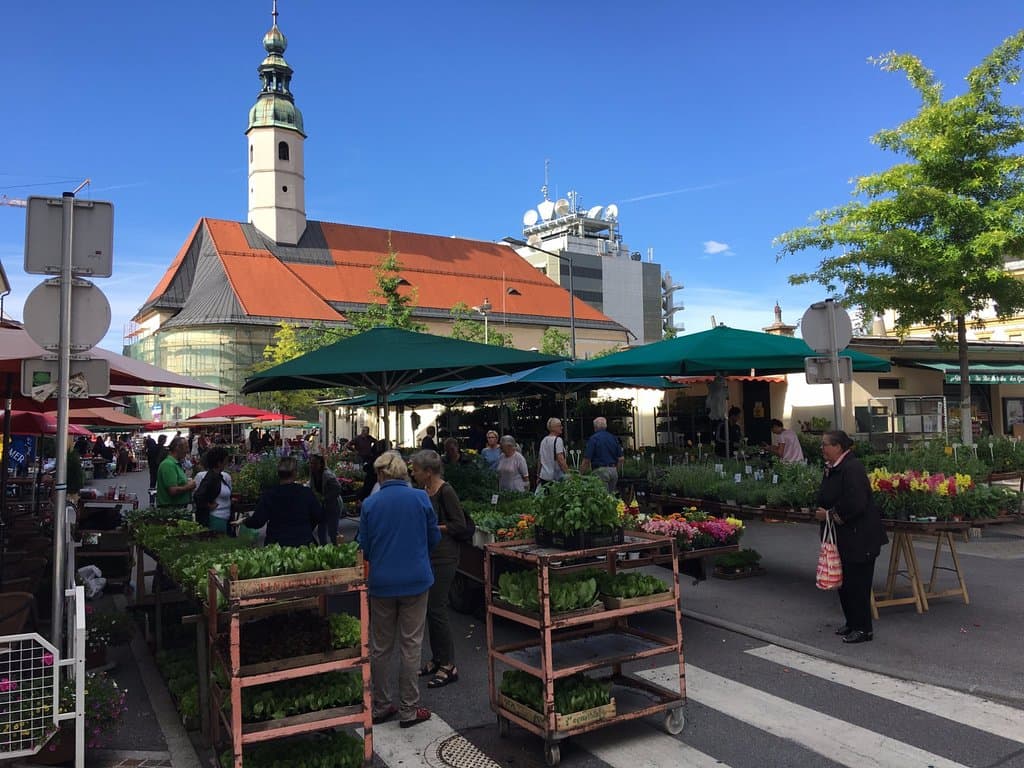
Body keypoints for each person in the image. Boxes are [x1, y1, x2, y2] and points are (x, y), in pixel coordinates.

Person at [359, 451, 440, 729]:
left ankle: (381, 705)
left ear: (382, 475)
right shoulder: (420, 498)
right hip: (416, 579)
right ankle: (409, 708)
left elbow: (365, 547)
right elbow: (434, 537)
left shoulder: (370, 504)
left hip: (382, 583)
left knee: (381, 647)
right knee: (411, 644)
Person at [814, 430, 888, 645]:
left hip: (860, 537)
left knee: (858, 584)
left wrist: (829, 514)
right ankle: (851, 622)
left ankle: (864, 628)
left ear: (838, 447)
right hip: (843, 537)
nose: (822, 448)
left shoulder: (852, 468)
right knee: (844, 582)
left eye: (825, 444)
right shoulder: (833, 468)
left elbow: (856, 503)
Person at [409, 450, 469, 689]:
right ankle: (437, 658)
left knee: (438, 608)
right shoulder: (424, 491)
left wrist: (435, 527)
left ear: (429, 471)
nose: (413, 473)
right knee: (430, 610)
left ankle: (449, 664)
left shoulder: (446, 491)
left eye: (416, 470)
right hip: (430, 554)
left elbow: (459, 524)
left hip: (446, 556)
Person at [243, 456, 321, 546]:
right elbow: (318, 515)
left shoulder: (270, 495)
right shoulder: (306, 493)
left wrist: (246, 520)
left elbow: (258, 521)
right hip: (302, 542)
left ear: (278, 474)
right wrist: (305, 527)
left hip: (277, 545)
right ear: (295, 473)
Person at [194, 446, 232, 533]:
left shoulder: (219, 476)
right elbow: (198, 496)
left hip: (223, 517)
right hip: (216, 518)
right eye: (226, 460)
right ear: (219, 463)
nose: (227, 463)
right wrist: (208, 505)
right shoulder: (211, 478)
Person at [581, 416, 624, 493]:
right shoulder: (613, 438)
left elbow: (587, 460)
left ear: (595, 427)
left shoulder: (594, 439)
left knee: (602, 498)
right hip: (613, 470)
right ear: (606, 426)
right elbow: (621, 459)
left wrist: (580, 473)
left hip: (600, 471)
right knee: (611, 498)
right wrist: (616, 470)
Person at [309, 453, 343, 545]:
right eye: (311, 463)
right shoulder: (313, 474)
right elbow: (312, 487)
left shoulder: (328, 475)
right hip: (322, 505)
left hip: (333, 505)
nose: (312, 465)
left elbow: (338, 489)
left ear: (321, 464)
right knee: (321, 529)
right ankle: (324, 550)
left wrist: (325, 497)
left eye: (315, 463)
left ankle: (338, 550)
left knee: (332, 531)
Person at [156, 436, 196, 509]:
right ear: (177, 448)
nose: (187, 451)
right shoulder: (168, 464)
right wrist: (188, 486)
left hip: (177, 508)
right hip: (171, 509)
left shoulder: (175, 463)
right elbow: (173, 490)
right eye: (186, 447)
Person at [537, 418, 569, 488]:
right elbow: (560, 459)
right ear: (553, 428)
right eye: (559, 426)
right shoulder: (558, 440)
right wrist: (568, 474)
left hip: (544, 476)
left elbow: (540, 459)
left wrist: (538, 475)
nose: (562, 427)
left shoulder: (543, 440)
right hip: (555, 477)